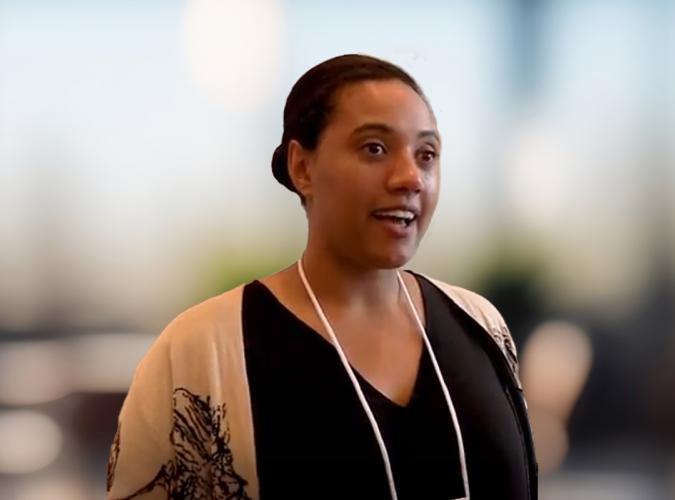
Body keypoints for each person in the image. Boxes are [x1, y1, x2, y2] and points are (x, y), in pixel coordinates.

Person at [107, 53, 536, 500]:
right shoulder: (201, 349)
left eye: (426, 154)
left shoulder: (481, 325)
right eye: (375, 148)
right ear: (302, 167)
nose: (410, 177)